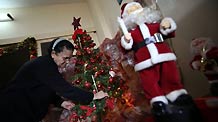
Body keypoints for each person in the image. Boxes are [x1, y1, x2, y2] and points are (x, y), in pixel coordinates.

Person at [118, 2, 202, 121]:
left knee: (170, 76)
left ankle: (177, 94)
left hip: (164, 55)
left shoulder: (154, 25)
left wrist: (166, 25)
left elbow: (167, 31)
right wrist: (126, 41)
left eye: (137, 7)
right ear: (126, 17)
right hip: (145, 61)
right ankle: (157, 101)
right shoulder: (131, 33)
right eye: (131, 10)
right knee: (149, 82)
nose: (136, 10)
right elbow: (125, 48)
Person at [0, 37, 108, 122]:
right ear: (53, 54)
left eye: (69, 59)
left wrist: (60, 102)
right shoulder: (44, 65)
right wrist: (93, 96)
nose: (67, 62)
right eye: (65, 58)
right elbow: (65, 89)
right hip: (11, 112)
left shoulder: (48, 66)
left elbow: (46, 89)